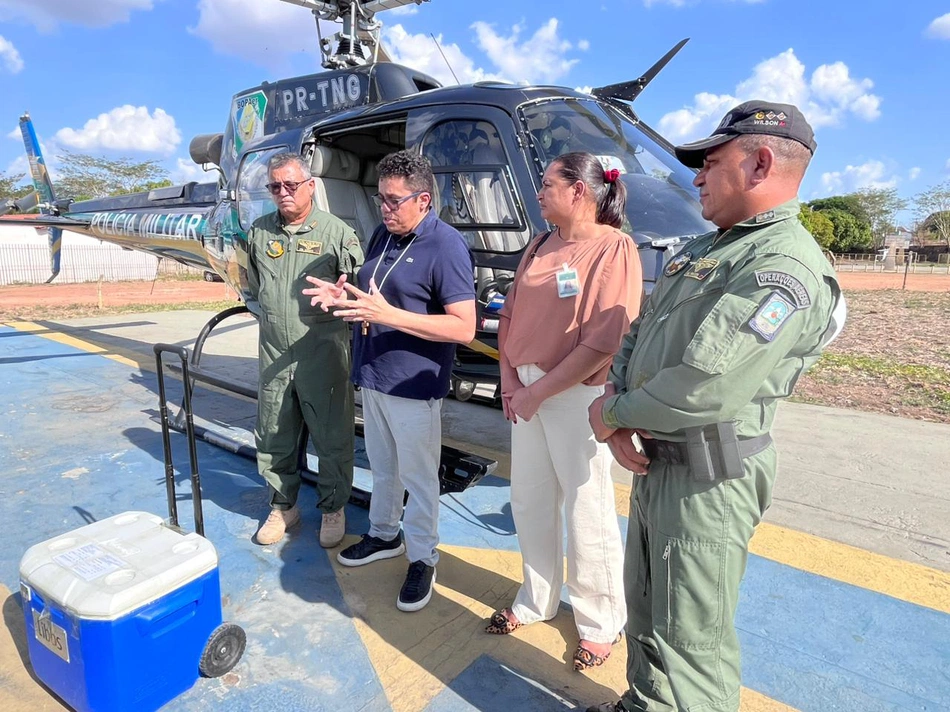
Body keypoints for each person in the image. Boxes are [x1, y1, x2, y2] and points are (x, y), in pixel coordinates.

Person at [585, 102, 845, 711]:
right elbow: (639, 334)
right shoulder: (707, 250)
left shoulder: (782, 267)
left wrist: (615, 417)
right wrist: (616, 407)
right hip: (661, 461)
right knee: (648, 612)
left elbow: (706, 386)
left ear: (759, 163)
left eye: (710, 161)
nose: (697, 176)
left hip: (709, 477)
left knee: (691, 644)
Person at [487, 152, 642, 673]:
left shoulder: (614, 249)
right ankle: (537, 599)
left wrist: (540, 391)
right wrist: (512, 382)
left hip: (575, 394)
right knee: (529, 499)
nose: (539, 191)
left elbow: (603, 341)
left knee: (585, 508)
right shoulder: (538, 244)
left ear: (579, 190)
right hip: (525, 388)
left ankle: (601, 622)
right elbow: (509, 315)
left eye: (548, 183)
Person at [303, 150, 476, 612]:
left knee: (419, 480)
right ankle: (384, 535)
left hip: (414, 385)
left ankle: (422, 557)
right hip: (374, 374)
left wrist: (388, 315)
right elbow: (376, 292)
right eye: (381, 198)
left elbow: (464, 326)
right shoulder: (383, 235)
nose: (385, 208)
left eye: (395, 200)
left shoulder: (446, 246)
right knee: (382, 468)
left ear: (423, 199)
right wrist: (344, 294)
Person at [246, 152, 364, 549]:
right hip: (275, 352)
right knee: (275, 431)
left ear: (310, 186)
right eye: (275, 186)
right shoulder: (260, 232)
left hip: (323, 352)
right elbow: (253, 284)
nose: (283, 193)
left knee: (332, 435)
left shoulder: (337, 234)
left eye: (291, 185)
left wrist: (342, 294)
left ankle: (333, 507)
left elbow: (360, 288)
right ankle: (283, 506)